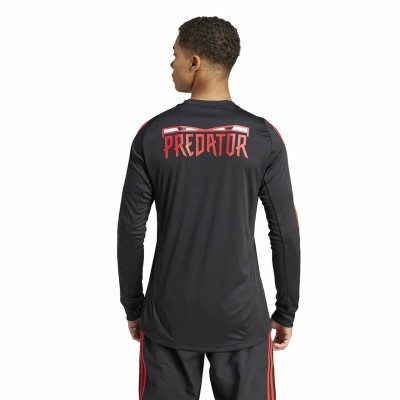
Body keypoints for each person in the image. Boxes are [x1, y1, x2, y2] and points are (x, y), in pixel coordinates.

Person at [117, 16, 301, 400]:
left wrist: (134, 305)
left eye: (175, 55)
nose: (171, 64)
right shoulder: (263, 137)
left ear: (195, 62)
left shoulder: (152, 135)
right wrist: (286, 309)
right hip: (241, 320)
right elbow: (284, 231)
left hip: (168, 318)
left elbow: (131, 229)